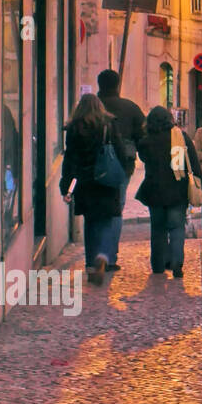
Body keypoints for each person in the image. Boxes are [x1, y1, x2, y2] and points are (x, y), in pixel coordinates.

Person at [59, 94, 127, 284]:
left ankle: (90, 264)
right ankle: (104, 256)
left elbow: (69, 159)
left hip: (85, 181)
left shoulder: (74, 128)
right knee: (106, 221)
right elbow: (120, 151)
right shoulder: (108, 124)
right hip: (106, 179)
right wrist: (123, 172)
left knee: (90, 222)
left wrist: (66, 185)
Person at [136, 106, 200, 278]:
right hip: (177, 191)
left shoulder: (146, 141)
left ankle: (158, 266)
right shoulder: (180, 137)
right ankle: (177, 262)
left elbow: (143, 158)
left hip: (155, 191)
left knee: (158, 229)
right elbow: (192, 163)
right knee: (177, 227)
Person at [96, 69, 145, 270]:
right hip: (122, 166)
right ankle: (109, 256)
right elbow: (143, 137)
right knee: (116, 209)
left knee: (96, 211)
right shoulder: (130, 108)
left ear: (99, 84)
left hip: (94, 165)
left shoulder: (91, 107)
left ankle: (95, 255)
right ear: (118, 85)